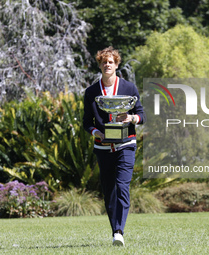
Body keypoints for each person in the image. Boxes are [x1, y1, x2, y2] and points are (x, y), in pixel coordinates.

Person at [83, 46, 145, 246]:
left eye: (111, 62)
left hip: (126, 143)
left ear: (117, 65)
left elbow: (142, 115)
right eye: (104, 62)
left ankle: (119, 231)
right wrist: (96, 132)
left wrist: (131, 117)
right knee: (109, 190)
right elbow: (87, 121)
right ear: (100, 65)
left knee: (122, 185)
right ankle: (115, 231)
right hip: (103, 147)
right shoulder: (92, 92)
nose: (107, 65)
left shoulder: (129, 88)